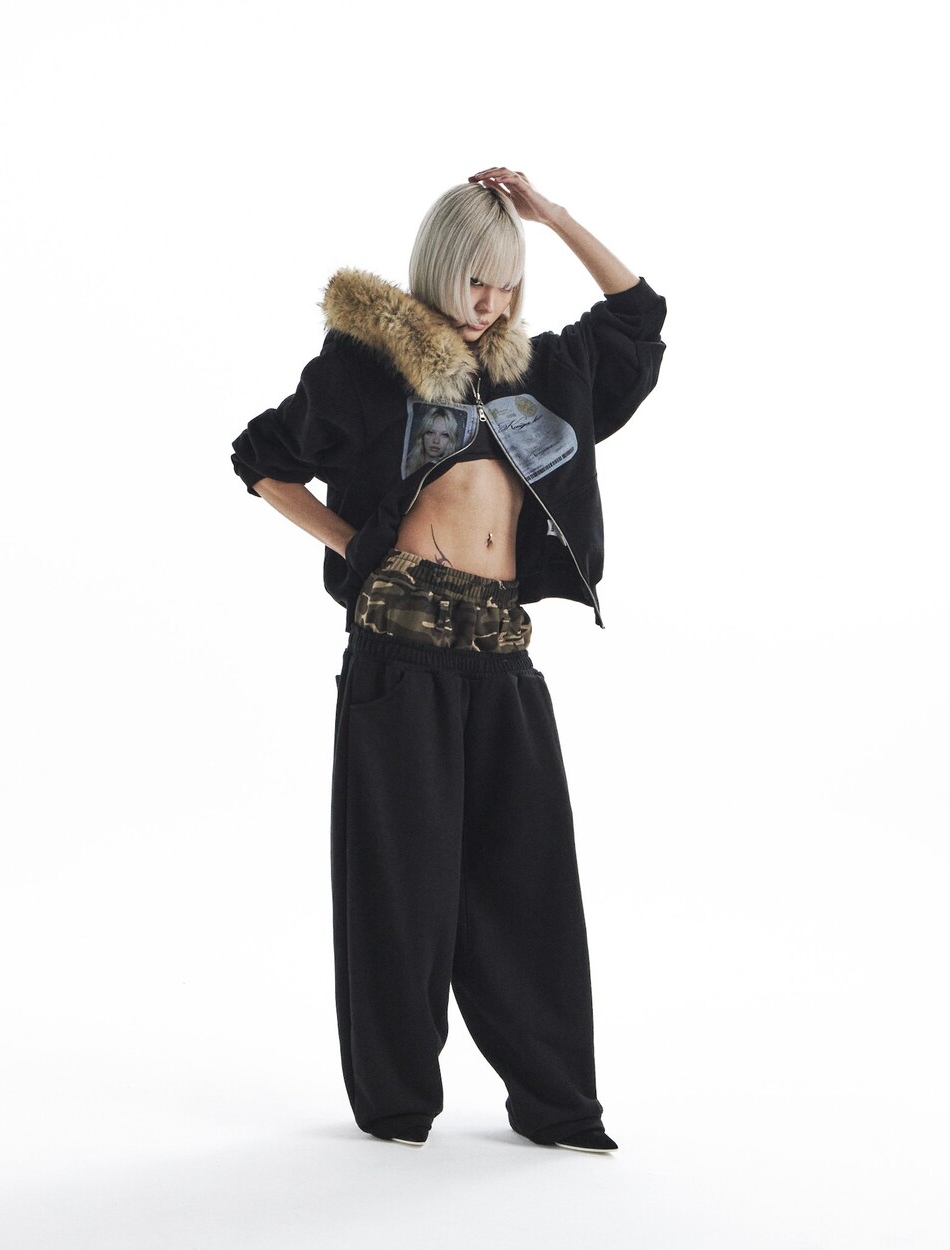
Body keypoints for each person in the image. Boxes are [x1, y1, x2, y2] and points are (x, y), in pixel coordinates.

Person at [231, 167, 667, 1152]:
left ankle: (557, 1105)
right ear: (437, 269)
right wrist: (353, 546)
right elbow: (261, 459)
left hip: (502, 654)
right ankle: (396, 1104)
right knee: (402, 884)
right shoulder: (364, 367)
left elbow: (638, 316)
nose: (491, 303)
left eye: (508, 285)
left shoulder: (542, 371)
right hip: (400, 653)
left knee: (530, 884)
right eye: (476, 281)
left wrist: (553, 217)